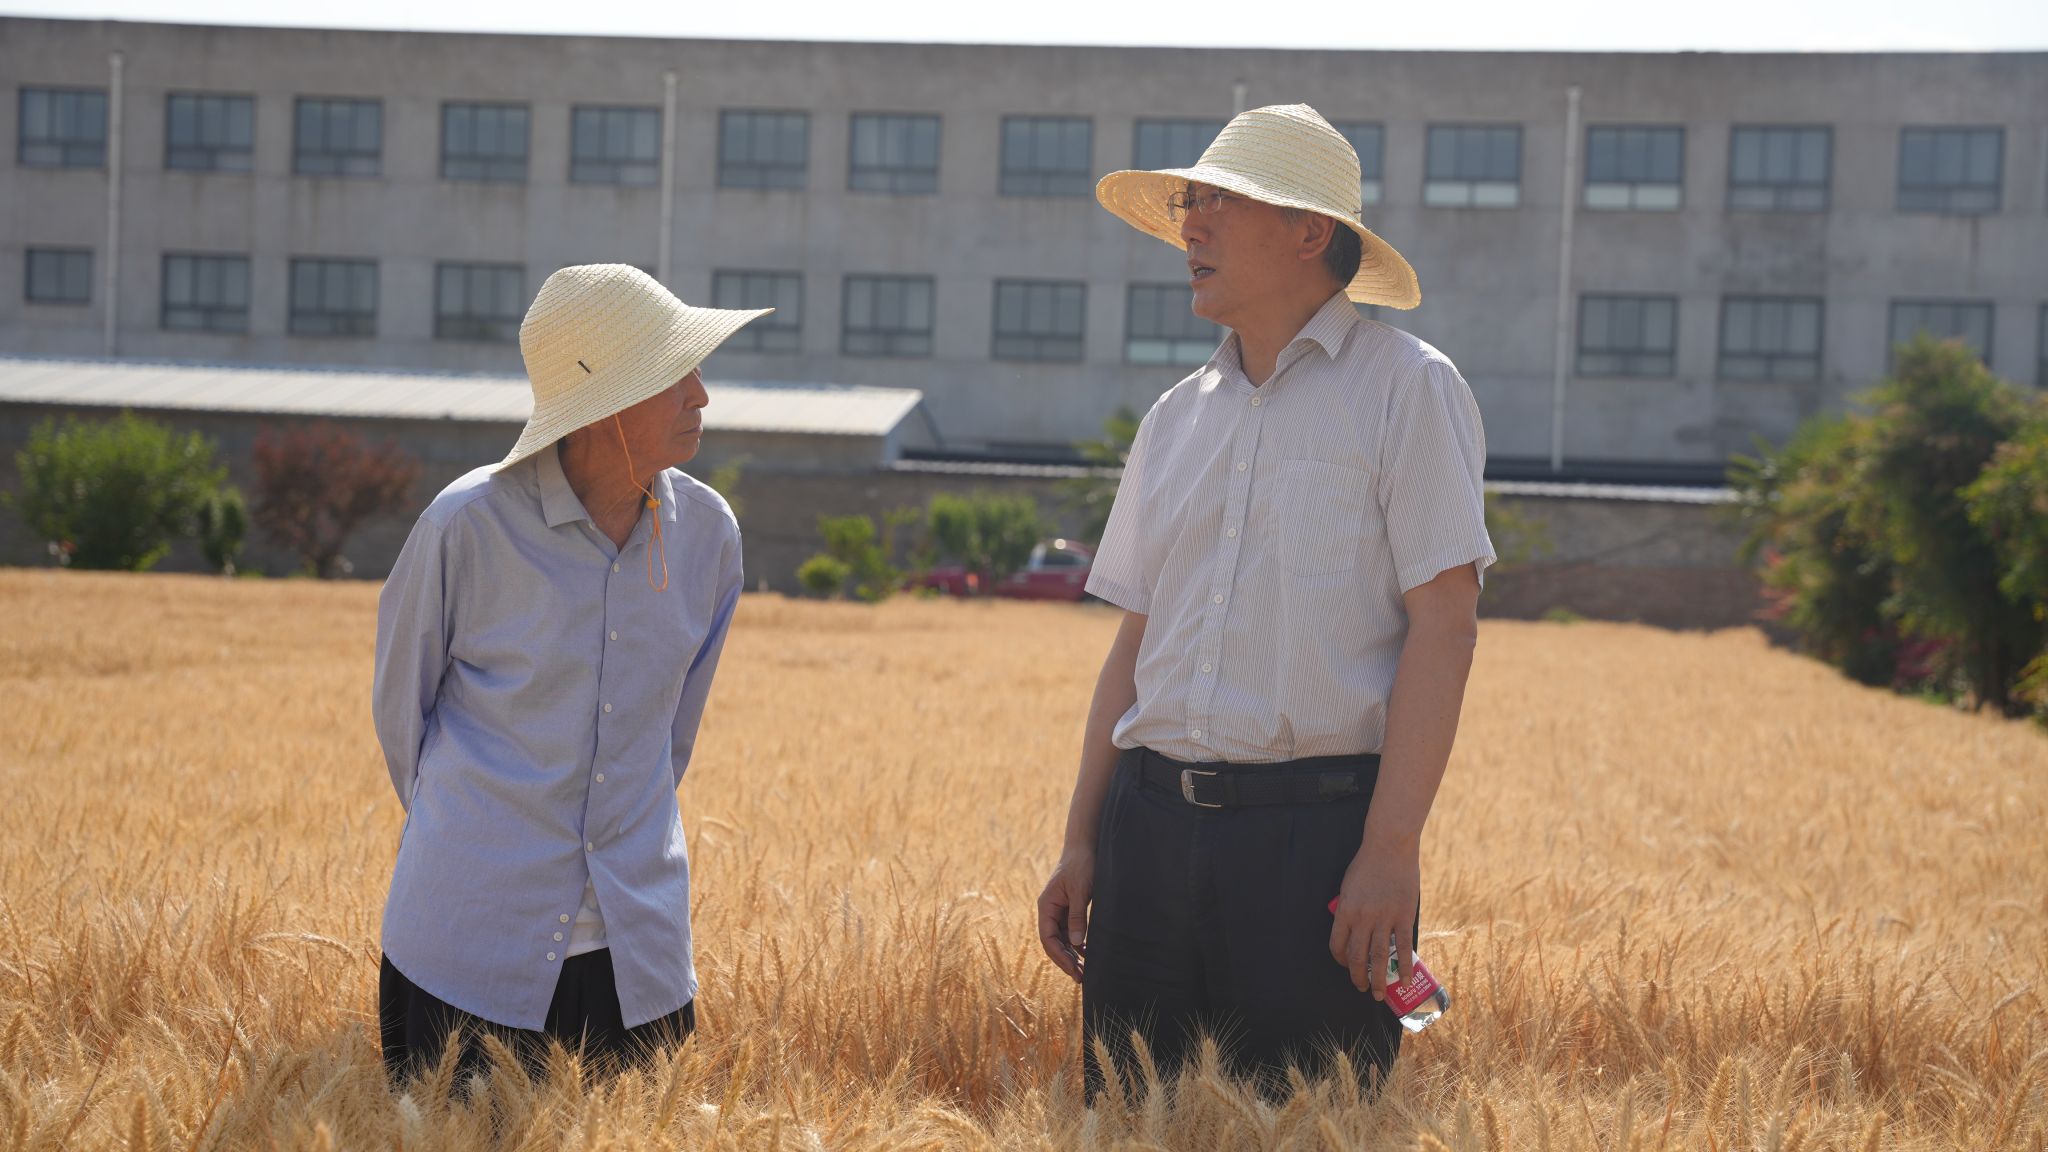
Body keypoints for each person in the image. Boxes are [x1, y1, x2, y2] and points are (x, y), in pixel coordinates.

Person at [1035, 104, 1496, 1098]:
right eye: (1187, 204)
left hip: (1315, 848)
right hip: (1146, 836)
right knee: (1127, 1122)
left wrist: (1389, 852)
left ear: (1308, 231)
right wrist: (1081, 838)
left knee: (1306, 1122)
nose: (1189, 227)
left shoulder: (1407, 390)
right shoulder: (1173, 419)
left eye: (1217, 203)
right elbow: (1135, 646)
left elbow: (1446, 626)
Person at [372, 264, 769, 1085]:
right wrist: (489, 840)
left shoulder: (709, 535)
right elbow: (403, 722)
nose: (701, 394)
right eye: (676, 372)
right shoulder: (465, 527)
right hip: (466, 953)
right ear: (604, 402)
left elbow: (672, 735)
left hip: (638, 958)